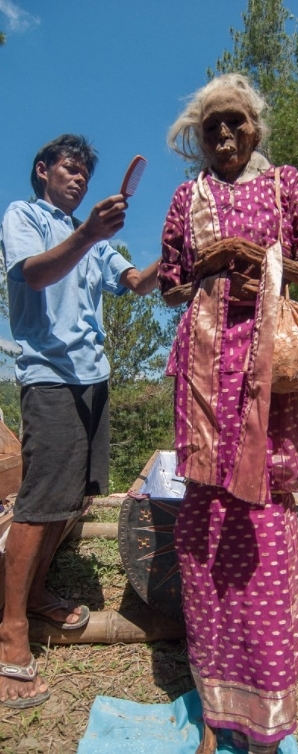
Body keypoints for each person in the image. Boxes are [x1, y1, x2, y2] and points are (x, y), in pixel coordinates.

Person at [158, 74, 298, 754]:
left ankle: (265, 724)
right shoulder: (185, 198)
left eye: (234, 124)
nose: (222, 137)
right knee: (205, 535)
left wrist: (265, 263)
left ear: (255, 127)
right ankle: (218, 716)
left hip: (270, 379)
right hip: (201, 377)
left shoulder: (284, 184)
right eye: (210, 128)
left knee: (265, 530)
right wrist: (206, 263)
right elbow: (167, 285)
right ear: (197, 138)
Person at [0, 134, 159, 709]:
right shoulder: (26, 216)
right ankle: (10, 632)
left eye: (85, 176)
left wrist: (179, 248)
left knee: (73, 501)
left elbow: (138, 284)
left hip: (94, 380)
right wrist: (88, 231)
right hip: (50, 378)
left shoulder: (96, 244)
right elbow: (35, 274)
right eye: (70, 170)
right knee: (39, 505)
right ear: (43, 170)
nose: (79, 180)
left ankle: (38, 592)